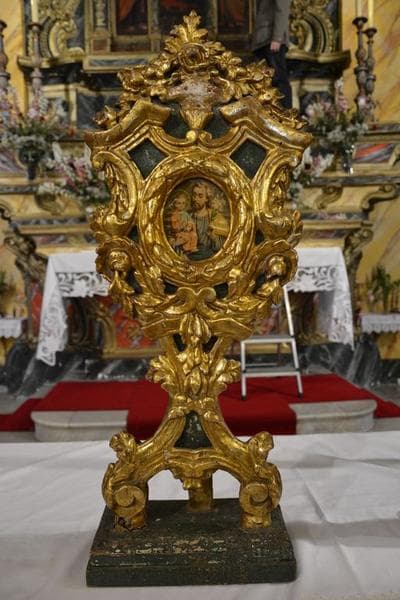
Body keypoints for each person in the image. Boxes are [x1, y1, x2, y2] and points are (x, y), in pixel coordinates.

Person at [252, 0, 292, 109]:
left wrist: (277, 38)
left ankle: (285, 113)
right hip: (264, 39)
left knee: (279, 79)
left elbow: (282, 9)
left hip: (271, 39)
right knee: (268, 81)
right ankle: (275, 113)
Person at [189, 181, 229, 260]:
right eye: (194, 195)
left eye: (200, 196)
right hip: (190, 258)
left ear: (207, 199)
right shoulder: (187, 216)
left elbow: (223, 246)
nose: (195, 199)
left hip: (210, 258)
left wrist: (213, 237)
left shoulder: (215, 217)